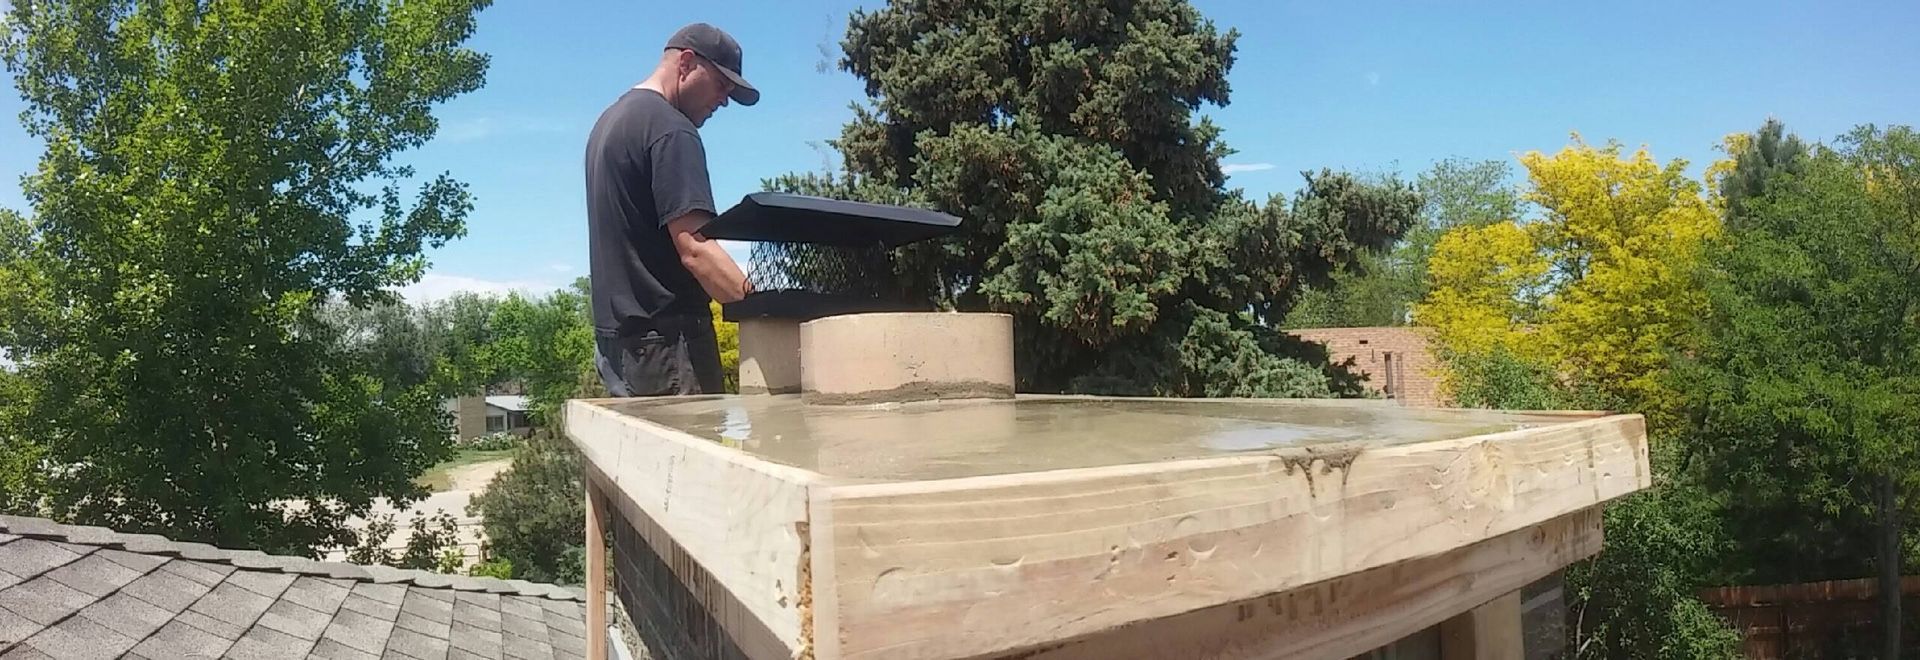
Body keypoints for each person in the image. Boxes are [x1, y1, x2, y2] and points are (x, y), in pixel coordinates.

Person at [585, 23, 759, 397]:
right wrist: (764, 308)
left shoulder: (610, 122)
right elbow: (695, 249)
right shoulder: (671, 129)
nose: (724, 101)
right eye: (721, 84)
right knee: (693, 440)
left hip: (619, 347)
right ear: (686, 63)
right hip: (668, 347)